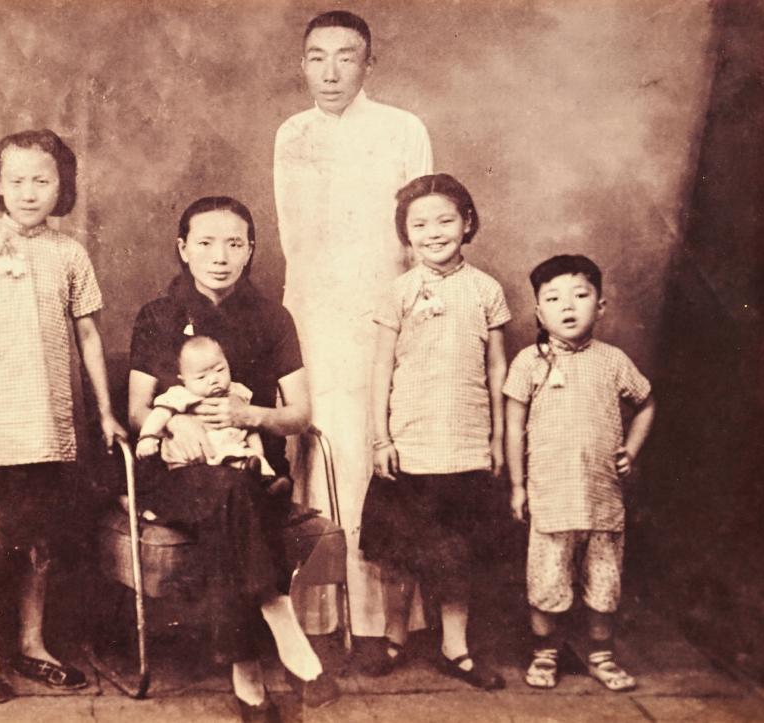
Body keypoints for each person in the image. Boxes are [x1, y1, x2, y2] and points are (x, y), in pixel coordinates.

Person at [0, 129, 126, 704]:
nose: (28, 192)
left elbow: (89, 336)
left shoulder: (70, 253)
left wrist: (106, 413)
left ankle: (33, 646)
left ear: (62, 186)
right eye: (15, 180)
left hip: (50, 424)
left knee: (40, 542)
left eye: (42, 180)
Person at [129, 196, 339, 720]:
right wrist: (174, 422)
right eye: (205, 243)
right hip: (178, 472)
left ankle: (247, 676)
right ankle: (277, 617)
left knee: (233, 492)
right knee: (229, 493)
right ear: (183, 249)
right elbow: (137, 411)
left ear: (250, 250)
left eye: (234, 244)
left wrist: (252, 415)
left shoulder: (272, 317)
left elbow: (300, 414)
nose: (219, 256)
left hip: (254, 471)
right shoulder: (157, 315)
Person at [273, 9, 434, 641]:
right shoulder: (292, 134)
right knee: (318, 442)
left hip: (381, 311)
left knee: (374, 443)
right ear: (302, 64)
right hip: (315, 313)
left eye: (346, 57)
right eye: (317, 58)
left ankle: (377, 621)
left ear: (370, 63)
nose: (331, 72)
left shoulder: (402, 128)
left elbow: (420, 230)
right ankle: (318, 616)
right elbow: (293, 239)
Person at [359, 174, 508, 688]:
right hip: (409, 446)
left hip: (465, 446)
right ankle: (394, 638)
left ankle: (455, 647)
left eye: (445, 220)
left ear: (467, 223)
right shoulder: (399, 292)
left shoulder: (486, 289)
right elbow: (381, 369)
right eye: (419, 224)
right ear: (406, 233)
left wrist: (497, 439)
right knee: (397, 555)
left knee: (457, 553)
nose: (433, 233)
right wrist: (381, 439)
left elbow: (497, 369)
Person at [504, 254, 656, 692]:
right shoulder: (529, 362)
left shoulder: (613, 360)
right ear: (539, 312)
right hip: (551, 498)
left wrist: (631, 449)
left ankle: (601, 656)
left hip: (602, 498)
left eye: (580, 295)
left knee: (604, 584)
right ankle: (545, 653)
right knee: (547, 580)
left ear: (600, 306)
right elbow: (513, 427)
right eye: (553, 298)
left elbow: (646, 404)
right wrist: (517, 486)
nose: (567, 306)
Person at [136, 334, 275, 479]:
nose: (214, 379)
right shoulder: (181, 394)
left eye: (220, 370)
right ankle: (246, 468)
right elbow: (159, 414)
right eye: (201, 377)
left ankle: (268, 481)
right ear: (184, 380)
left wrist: (259, 453)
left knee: (253, 459)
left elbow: (249, 428)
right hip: (191, 456)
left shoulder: (236, 392)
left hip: (231, 449)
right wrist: (148, 436)